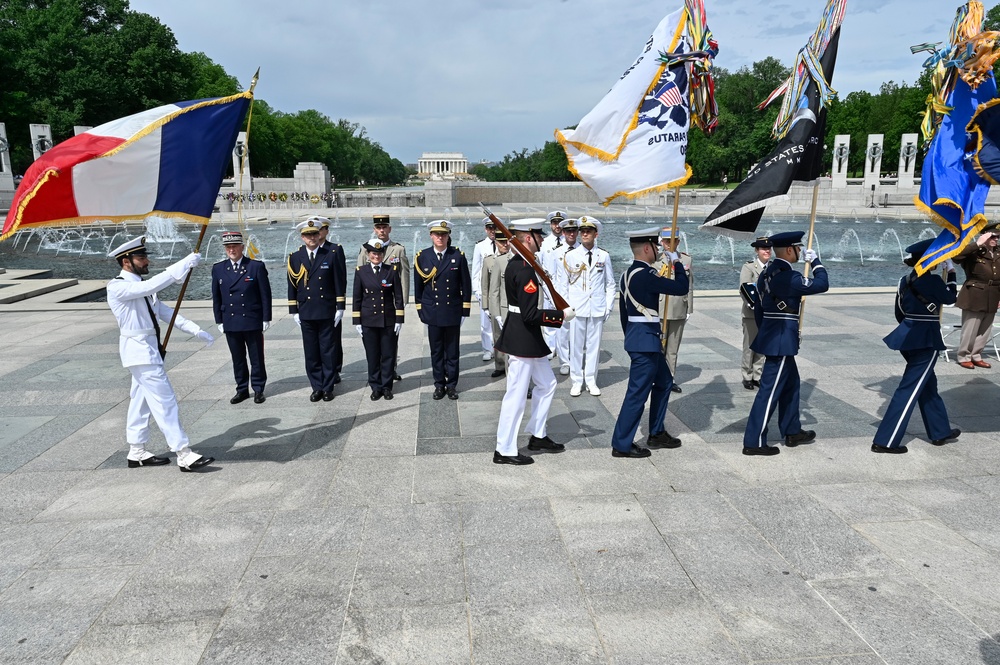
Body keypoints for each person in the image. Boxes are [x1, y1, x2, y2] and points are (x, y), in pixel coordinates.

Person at [106, 237, 215, 472]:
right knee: (165, 401)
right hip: (140, 352)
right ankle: (184, 453)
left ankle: (136, 451)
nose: (147, 261)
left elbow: (167, 313)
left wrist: (196, 330)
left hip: (148, 351)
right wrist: (183, 264)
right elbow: (150, 286)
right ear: (126, 262)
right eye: (142, 258)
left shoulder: (142, 288)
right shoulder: (118, 286)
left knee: (140, 400)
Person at [494, 218, 574, 465]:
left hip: (528, 338)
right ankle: (504, 449)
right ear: (528, 237)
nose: (542, 239)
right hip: (522, 338)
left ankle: (538, 435)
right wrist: (560, 316)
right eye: (538, 235)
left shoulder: (523, 263)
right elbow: (529, 314)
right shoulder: (526, 269)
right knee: (516, 395)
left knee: (547, 383)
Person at [742, 231, 829, 456]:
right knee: (768, 393)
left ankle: (792, 430)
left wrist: (768, 333)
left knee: (791, 384)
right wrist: (816, 262)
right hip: (781, 339)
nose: (800, 252)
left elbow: (760, 309)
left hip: (774, 336)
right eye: (799, 248)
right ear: (790, 250)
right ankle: (754, 441)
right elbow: (822, 284)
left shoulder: (767, 273)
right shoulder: (788, 276)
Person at [872, 239, 961, 453]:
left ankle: (939, 431)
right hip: (926, 339)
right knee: (909, 389)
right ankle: (885, 440)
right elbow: (950, 298)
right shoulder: (932, 282)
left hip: (906, 336)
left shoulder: (905, 280)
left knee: (928, 385)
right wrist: (951, 273)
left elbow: (898, 313)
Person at [610, 228, 689, 458]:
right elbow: (681, 288)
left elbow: (625, 314)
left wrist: (633, 339)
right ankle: (621, 444)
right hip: (646, 342)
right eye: (655, 247)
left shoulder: (626, 274)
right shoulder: (646, 275)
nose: (657, 250)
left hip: (641, 338)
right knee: (637, 394)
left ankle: (656, 432)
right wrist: (676, 260)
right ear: (647, 248)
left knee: (664, 381)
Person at [211, 231, 272, 405]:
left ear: (242, 247)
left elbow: (265, 295)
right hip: (230, 320)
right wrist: (219, 320)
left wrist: (266, 317)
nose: (232, 250)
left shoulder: (255, 266)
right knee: (237, 358)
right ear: (225, 249)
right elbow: (216, 297)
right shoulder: (218, 268)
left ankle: (259, 389)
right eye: (228, 247)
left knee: (256, 357)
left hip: (252, 319)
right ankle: (242, 389)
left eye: (235, 246)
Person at [288, 218, 344, 402]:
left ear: (320, 234)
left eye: (314, 234)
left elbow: (339, 281)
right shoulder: (295, 257)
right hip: (306, 311)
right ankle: (316, 387)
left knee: (327, 351)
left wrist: (340, 307)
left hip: (326, 309)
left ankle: (327, 388)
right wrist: (293, 310)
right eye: (308, 235)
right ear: (302, 237)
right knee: (311, 352)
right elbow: (292, 286)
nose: (312, 237)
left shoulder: (330, 254)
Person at [414, 220, 472, 400]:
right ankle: (439, 384)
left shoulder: (458, 256)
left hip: (452, 311)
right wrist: (421, 310)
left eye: (444, 234)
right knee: (436, 351)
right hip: (433, 311)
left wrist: (464, 311)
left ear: (448, 236)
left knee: (453, 352)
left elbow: (466, 285)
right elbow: (418, 288)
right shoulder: (422, 256)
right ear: (431, 236)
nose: (440, 237)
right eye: (437, 234)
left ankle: (452, 385)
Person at [561, 216, 616, 396]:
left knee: (594, 347)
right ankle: (576, 380)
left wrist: (608, 307)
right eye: (582, 231)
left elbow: (610, 284)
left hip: (597, 308)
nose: (584, 234)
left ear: (595, 234)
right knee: (576, 346)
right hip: (577, 309)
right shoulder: (570, 255)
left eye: (588, 231)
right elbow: (563, 285)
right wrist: (565, 308)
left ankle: (591, 379)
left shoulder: (604, 255)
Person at [358, 214, 409, 380]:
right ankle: (377, 371)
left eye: (384, 227)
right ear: (374, 229)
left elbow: (404, 275)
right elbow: (361, 273)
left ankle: (390, 370)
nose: (381, 230)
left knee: (391, 340)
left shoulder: (398, 249)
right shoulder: (366, 249)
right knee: (374, 344)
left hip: (391, 302)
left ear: (389, 229)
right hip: (372, 305)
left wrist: (402, 302)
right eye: (378, 227)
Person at [353, 239, 405, 401]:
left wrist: (399, 319)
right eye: (374, 253)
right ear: (368, 255)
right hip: (368, 320)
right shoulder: (361, 271)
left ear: (383, 255)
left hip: (387, 319)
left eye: (379, 253)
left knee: (388, 355)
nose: (377, 256)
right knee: (373, 355)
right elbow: (357, 298)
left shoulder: (391, 271)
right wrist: (357, 321)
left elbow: (398, 296)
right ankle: (375, 386)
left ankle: (387, 386)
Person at [954, 224, 1000, 369]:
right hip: (975, 293)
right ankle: (964, 356)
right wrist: (977, 243)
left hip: (993, 293)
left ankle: (976, 355)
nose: (996, 239)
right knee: (971, 328)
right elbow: (956, 256)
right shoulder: (974, 251)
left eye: (998, 237)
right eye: (992, 236)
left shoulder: (998, 252)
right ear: (984, 236)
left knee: (985, 328)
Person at [654, 228, 693, 394]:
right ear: (662, 242)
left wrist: (689, 307)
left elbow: (689, 285)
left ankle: (670, 378)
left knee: (673, 348)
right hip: (661, 307)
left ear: (678, 241)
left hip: (678, 308)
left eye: (674, 241)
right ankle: (657, 378)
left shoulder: (685, 259)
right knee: (658, 347)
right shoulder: (655, 259)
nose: (670, 244)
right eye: (667, 241)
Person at [316, 216, 347, 383]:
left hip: (330, 304)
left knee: (334, 340)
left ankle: (335, 369)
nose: (318, 233)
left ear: (326, 231)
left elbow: (340, 278)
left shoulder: (334, 250)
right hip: (315, 306)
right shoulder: (305, 250)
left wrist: (340, 305)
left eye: (321, 229)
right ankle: (322, 369)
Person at [548, 217, 580, 375]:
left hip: (578, 296)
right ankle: (564, 361)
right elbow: (551, 276)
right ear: (564, 233)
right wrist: (553, 297)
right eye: (568, 231)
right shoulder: (556, 253)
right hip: (561, 297)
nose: (571, 234)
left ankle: (576, 359)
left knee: (578, 331)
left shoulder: (583, 251)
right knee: (562, 331)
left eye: (574, 231)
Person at [739, 237, 772, 390]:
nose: (767, 251)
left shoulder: (773, 267)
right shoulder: (749, 267)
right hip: (751, 313)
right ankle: (747, 375)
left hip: (767, 313)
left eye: (769, 249)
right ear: (756, 251)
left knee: (762, 345)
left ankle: (757, 375)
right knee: (750, 345)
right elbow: (744, 288)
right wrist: (754, 304)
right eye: (763, 249)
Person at [481, 228, 514, 378]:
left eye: (507, 241)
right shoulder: (489, 260)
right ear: (496, 242)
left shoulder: (512, 258)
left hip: (509, 302)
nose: (505, 245)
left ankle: (510, 367)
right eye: (501, 242)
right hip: (496, 303)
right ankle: (500, 364)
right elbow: (486, 286)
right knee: (497, 335)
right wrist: (486, 307)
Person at [471, 217, 498, 362]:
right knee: (485, 322)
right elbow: (476, 270)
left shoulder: (503, 243)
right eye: (489, 228)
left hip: (499, 288)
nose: (492, 231)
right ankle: (487, 349)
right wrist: (477, 291)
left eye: (494, 227)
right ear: (485, 229)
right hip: (485, 289)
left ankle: (500, 348)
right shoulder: (480, 246)